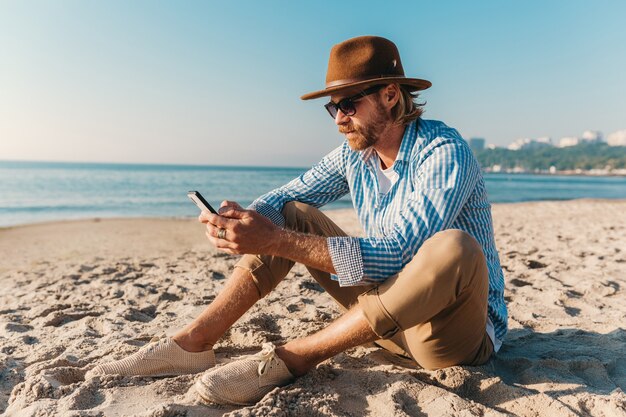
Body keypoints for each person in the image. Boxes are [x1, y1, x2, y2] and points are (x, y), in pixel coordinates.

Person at [86, 35, 507, 406]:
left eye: (348, 105)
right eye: (332, 109)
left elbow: (399, 255)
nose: (339, 119)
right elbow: (288, 196)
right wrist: (241, 222)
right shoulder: (356, 154)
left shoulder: (443, 151)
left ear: (391, 96)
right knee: (293, 214)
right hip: (381, 317)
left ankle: (295, 357)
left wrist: (275, 241)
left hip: (446, 339)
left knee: (454, 247)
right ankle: (195, 341)